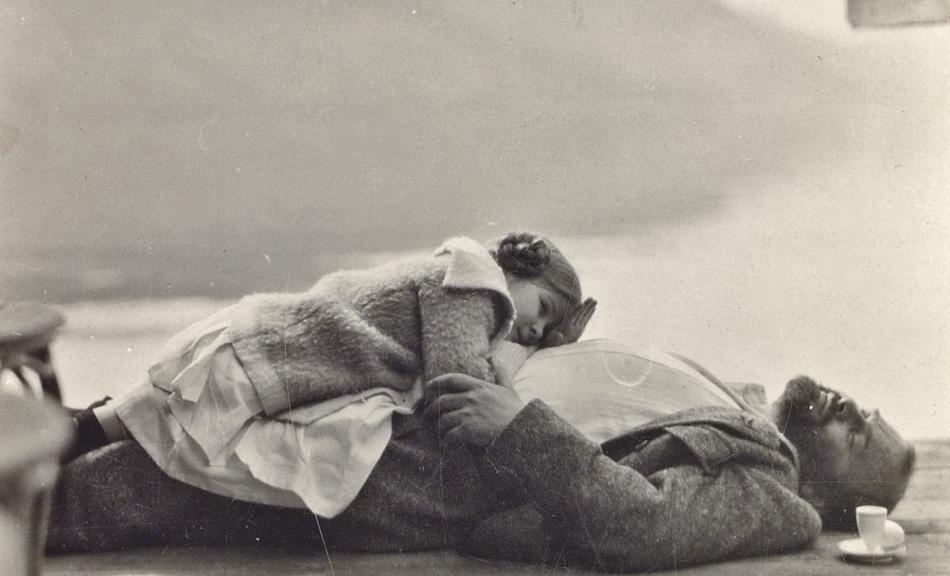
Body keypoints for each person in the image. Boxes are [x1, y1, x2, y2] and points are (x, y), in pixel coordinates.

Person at [47, 338, 915, 572]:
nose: (852, 409)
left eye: (862, 435)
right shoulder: (744, 409)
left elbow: (641, 528)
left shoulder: (773, 497)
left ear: (846, 504)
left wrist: (518, 423)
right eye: (866, 408)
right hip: (410, 415)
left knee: (122, 492)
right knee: (156, 427)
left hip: (404, 474)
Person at [65, 232, 589, 517]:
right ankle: (62, 442)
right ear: (518, 271)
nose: (534, 328)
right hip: (266, 353)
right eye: (541, 307)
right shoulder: (475, 292)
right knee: (158, 429)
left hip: (265, 338)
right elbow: (457, 382)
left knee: (145, 419)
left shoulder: (463, 281)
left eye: (544, 334)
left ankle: (69, 433)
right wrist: (512, 393)